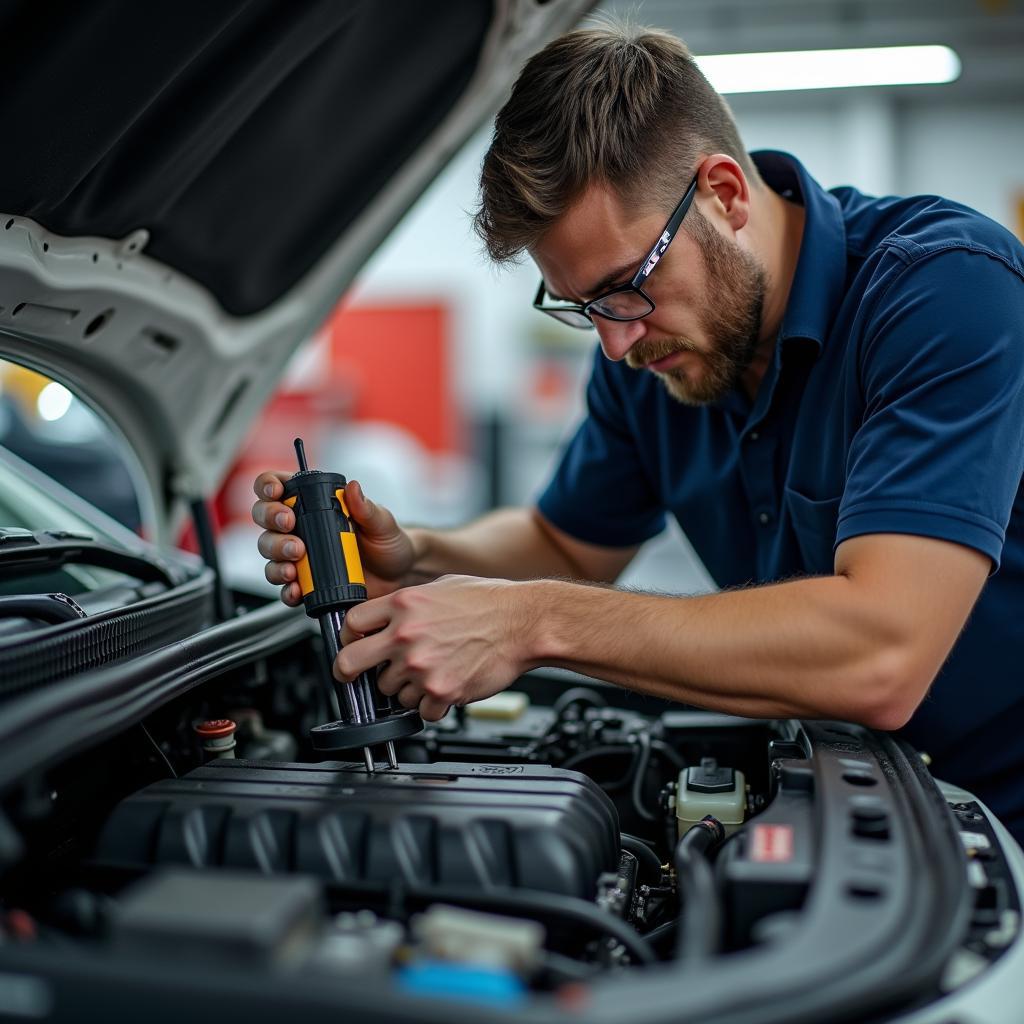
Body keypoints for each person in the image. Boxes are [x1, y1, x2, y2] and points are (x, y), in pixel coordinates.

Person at [252, 24, 1024, 841]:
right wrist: (418, 556)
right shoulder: (649, 353)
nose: (617, 343)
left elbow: (881, 655)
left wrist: (533, 621)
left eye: (625, 286)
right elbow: (567, 544)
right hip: (846, 798)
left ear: (724, 193)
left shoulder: (944, 292)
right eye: (585, 307)